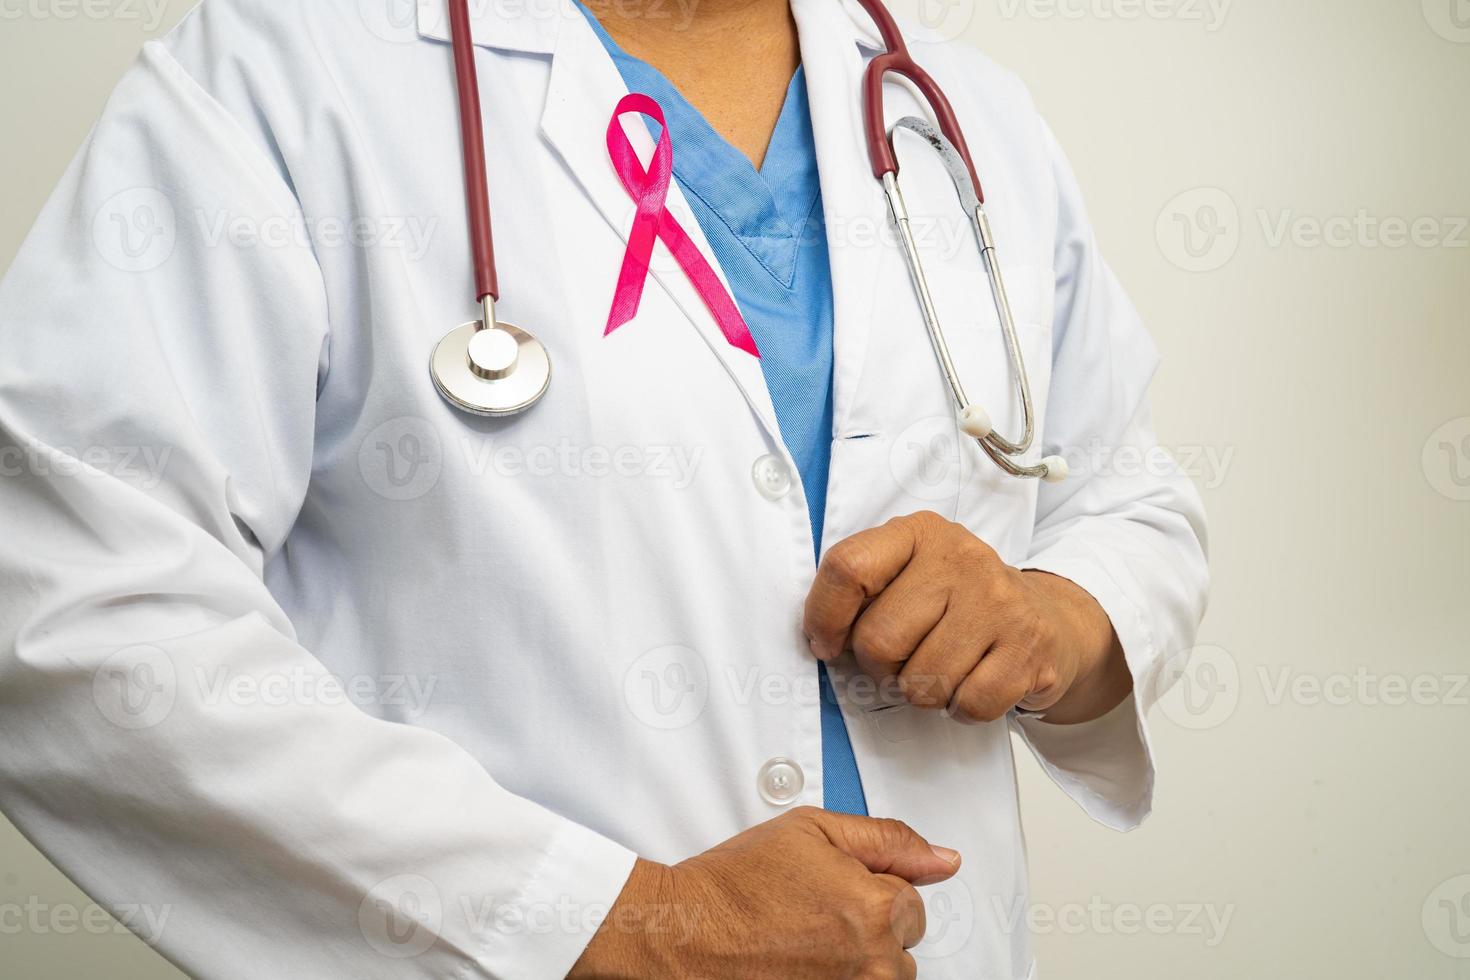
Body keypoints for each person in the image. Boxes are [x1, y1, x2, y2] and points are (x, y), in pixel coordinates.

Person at [0, 0, 1208, 975]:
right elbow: (66, 595)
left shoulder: (960, 113)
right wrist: (606, 919)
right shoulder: (288, 68)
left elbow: (1127, 498)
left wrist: (1053, 609)